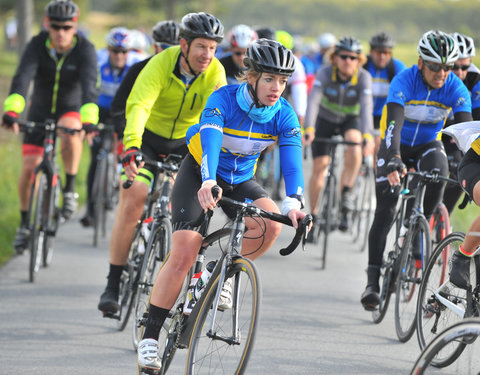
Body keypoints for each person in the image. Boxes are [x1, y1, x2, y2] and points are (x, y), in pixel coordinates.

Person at [136, 38, 309, 373]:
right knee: (185, 251)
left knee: (271, 223)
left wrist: (295, 203)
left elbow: (292, 162)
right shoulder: (223, 100)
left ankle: (219, 271)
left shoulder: (284, 115)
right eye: (270, 79)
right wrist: (206, 181)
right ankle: (151, 336)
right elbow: (211, 143)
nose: (277, 88)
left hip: (241, 178)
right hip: (200, 171)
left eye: (283, 81)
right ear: (253, 76)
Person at [97, 12, 227, 316]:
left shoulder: (216, 73)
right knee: (134, 197)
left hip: (185, 143)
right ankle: (113, 283)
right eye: (201, 47)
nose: (207, 55)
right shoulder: (160, 63)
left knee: (184, 206)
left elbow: (217, 119)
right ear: (183, 44)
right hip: (148, 140)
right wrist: (131, 146)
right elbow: (139, 105)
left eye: (212, 48)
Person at [360, 30, 473, 311]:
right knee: (385, 209)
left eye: (447, 67)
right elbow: (393, 126)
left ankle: (419, 228)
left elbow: (467, 132)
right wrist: (394, 158)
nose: (442, 73)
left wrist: (467, 168)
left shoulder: (455, 88)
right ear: (421, 63)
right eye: (435, 66)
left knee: (442, 166)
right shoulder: (404, 80)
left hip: (426, 146)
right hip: (395, 144)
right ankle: (372, 281)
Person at [1, 0, 98, 254]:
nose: (61, 33)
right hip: (40, 110)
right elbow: (22, 78)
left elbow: (90, 88)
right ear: (47, 24)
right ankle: (24, 225)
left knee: (69, 131)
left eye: (66, 27)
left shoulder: (85, 49)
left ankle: (68, 191)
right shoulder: (37, 44)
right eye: (56, 27)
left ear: (74, 26)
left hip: (70, 109)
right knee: (28, 169)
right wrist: (12, 110)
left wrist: (89, 120)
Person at [305, 36, 374, 235]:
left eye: (353, 58)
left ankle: (346, 193)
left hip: (349, 119)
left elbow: (366, 109)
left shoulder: (363, 77)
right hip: (325, 119)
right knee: (320, 166)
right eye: (343, 57)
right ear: (334, 58)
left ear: (359, 60)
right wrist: (309, 128)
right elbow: (314, 101)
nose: (348, 61)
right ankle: (314, 215)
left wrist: (367, 136)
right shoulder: (325, 73)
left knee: (354, 143)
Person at [80, 27, 133, 226]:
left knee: (122, 152)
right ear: (108, 50)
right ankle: (91, 210)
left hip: (121, 111)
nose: (119, 55)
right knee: (95, 158)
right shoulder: (99, 62)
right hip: (99, 110)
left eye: (123, 51)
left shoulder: (134, 65)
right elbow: (87, 90)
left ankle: (116, 183)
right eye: (115, 51)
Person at [109, 20, 180, 140]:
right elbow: (119, 106)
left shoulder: (191, 73)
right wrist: (123, 135)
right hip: (142, 133)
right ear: (155, 47)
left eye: (177, 48)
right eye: (166, 47)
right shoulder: (138, 69)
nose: (171, 52)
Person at [441, 32, 480, 214]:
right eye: (455, 67)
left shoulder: (476, 80)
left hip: (459, 130)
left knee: (459, 164)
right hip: (435, 130)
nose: (460, 73)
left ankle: (444, 217)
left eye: (465, 67)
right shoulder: (438, 76)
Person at [363, 32, 406, 159]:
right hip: (364, 112)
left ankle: (375, 176)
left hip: (384, 115)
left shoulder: (397, 68)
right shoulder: (363, 66)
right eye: (378, 52)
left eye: (386, 53)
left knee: (378, 146)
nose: (382, 56)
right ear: (371, 52)